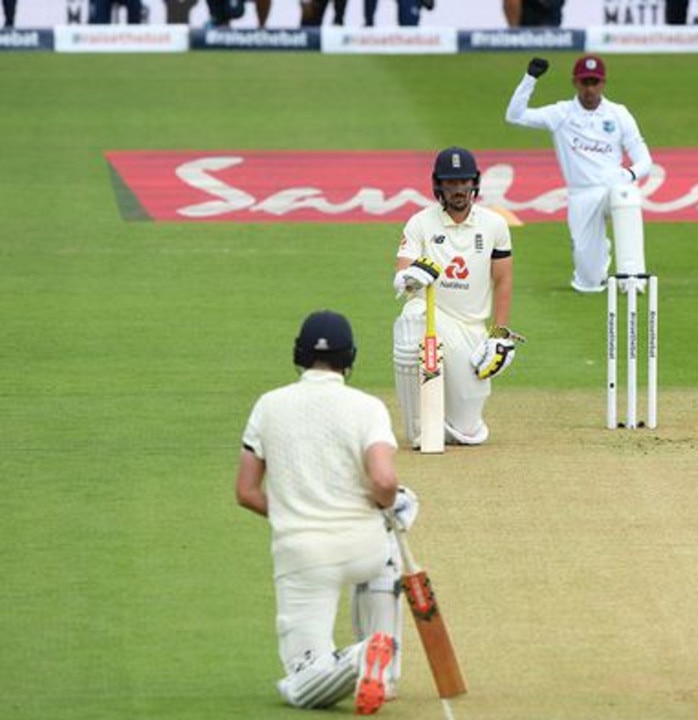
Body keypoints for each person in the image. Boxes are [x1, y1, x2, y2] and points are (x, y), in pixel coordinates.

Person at [236, 309, 417, 714]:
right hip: (363, 547)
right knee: (390, 526)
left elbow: (246, 492)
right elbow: (385, 483)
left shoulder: (269, 405)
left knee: (302, 682)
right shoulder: (367, 407)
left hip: (303, 556)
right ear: (348, 358)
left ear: (299, 354)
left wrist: (291, 512)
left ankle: (357, 659)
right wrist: (383, 510)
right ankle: (381, 671)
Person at [392, 146, 520, 447]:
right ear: (439, 185)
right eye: (451, 182)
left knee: (467, 428)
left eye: (463, 181)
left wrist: (499, 334)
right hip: (434, 316)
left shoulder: (494, 225)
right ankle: (419, 430)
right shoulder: (420, 222)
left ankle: (450, 423)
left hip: (470, 329)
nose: (458, 189)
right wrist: (411, 278)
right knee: (412, 316)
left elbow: (503, 279)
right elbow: (401, 279)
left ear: (474, 183)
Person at [505, 55, 653, 293]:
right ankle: (596, 262)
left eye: (595, 82)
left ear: (603, 83)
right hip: (581, 195)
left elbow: (645, 160)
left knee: (627, 195)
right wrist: (530, 78)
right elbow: (515, 115)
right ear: (575, 82)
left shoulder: (618, 114)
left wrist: (627, 176)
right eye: (585, 82)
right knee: (589, 283)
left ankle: (633, 279)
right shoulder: (561, 113)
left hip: (612, 189)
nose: (590, 88)